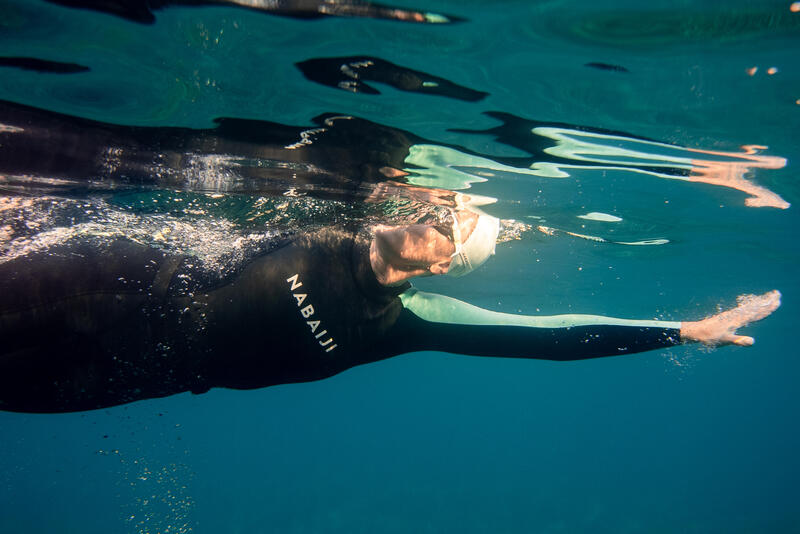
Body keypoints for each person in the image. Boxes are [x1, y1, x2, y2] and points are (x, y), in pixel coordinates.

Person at [0, 100, 782, 413]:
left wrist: (680, 332)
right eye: (440, 202)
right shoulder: (326, 225)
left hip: (134, 376)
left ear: (445, 263)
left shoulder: (399, 324)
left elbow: (544, 339)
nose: (430, 210)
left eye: (449, 221)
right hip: (106, 279)